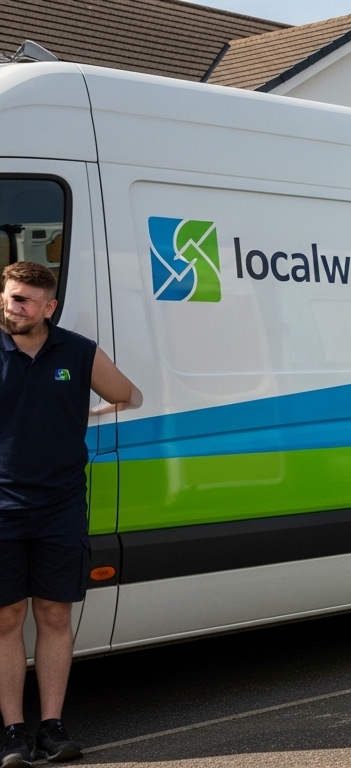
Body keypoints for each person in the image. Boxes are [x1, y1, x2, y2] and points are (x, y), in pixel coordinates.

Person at [0, 262, 141, 767]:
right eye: (9, 296)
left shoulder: (77, 351)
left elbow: (128, 394)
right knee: (6, 619)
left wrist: (91, 412)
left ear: (49, 307)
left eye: (24, 300)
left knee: (55, 615)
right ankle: (13, 731)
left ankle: (52, 727)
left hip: (60, 507)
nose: (13, 307)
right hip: (2, 511)